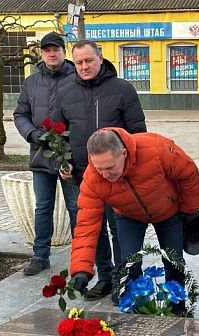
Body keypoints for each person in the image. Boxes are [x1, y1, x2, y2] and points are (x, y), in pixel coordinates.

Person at [69, 128, 199, 316]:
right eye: (99, 168)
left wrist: (189, 211)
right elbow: (86, 224)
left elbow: (188, 172)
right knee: (129, 263)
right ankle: (138, 310)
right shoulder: (93, 178)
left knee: (174, 261)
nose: (105, 175)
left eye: (110, 167)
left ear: (123, 153)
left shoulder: (155, 148)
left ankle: (177, 307)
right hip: (128, 215)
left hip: (167, 210)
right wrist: (81, 269)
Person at [54, 40, 147, 303]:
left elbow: (138, 133)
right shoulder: (66, 92)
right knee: (92, 228)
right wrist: (64, 160)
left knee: (119, 227)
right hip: (82, 176)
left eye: (89, 61)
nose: (84, 67)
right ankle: (105, 276)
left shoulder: (122, 89)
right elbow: (57, 132)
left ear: (100, 58)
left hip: (116, 176)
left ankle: (122, 278)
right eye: (79, 62)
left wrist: (128, 166)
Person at [14, 32, 77, 276]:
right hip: (40, 155)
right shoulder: (31, 82)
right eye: (47, 50)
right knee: (43, 207)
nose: (52, 54)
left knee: (76, 207)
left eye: (56, 49)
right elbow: (20, 115)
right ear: (41, 53)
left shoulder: (76, 78)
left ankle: (81, 257)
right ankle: (40, 255)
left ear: (64, 51)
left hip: (69, 157)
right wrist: (31, 134)